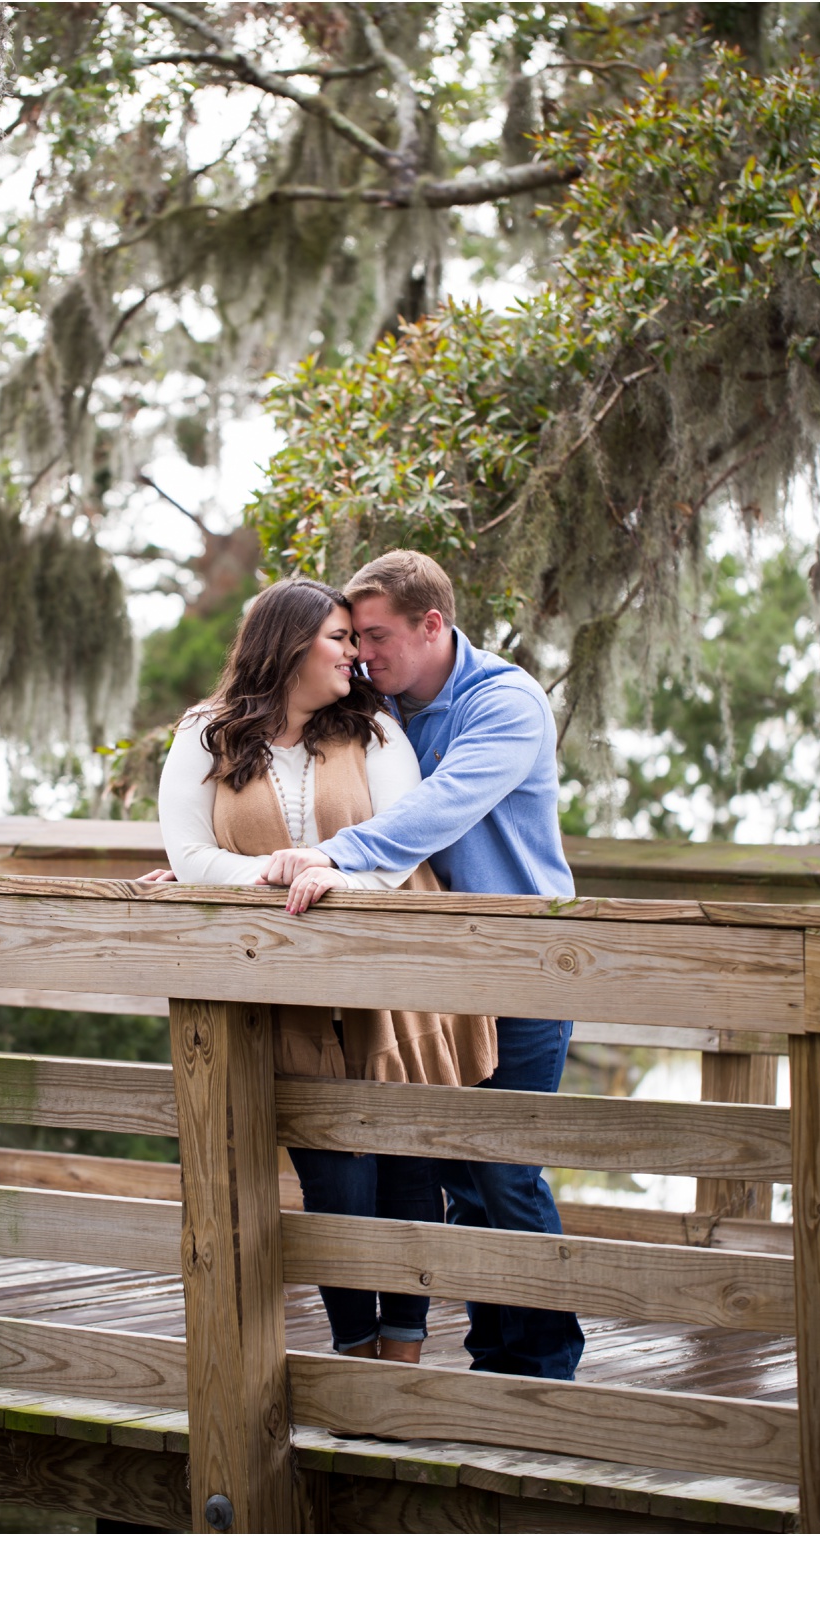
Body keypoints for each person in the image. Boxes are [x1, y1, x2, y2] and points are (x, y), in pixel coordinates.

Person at [259, 549, 586, 1381]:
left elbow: (435, 812)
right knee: (457, 1179)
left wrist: (328, 856)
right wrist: (201, 871)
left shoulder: (504, 703)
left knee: (507, 1175)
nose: (363, 654)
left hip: (524, 971)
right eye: (356, 638)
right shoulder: (386, 707)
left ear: (432, 625)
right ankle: (494, 1361)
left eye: (377, 635)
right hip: (440, 986)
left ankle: (547, 1366)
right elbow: (294, 766)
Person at [156, 577, 496, 1365]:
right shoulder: (206, 734)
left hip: (391, 979)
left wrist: (337, 877)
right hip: (287, 991)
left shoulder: (373, 728)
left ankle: (402, 1364)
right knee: (334, 1180)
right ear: (288, 643)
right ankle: (354, 1356)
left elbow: (403, 843)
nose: (354, 654)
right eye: (339, 638)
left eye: (357, 638)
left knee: (409, 1171)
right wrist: (272, 875)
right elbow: (191, 855)